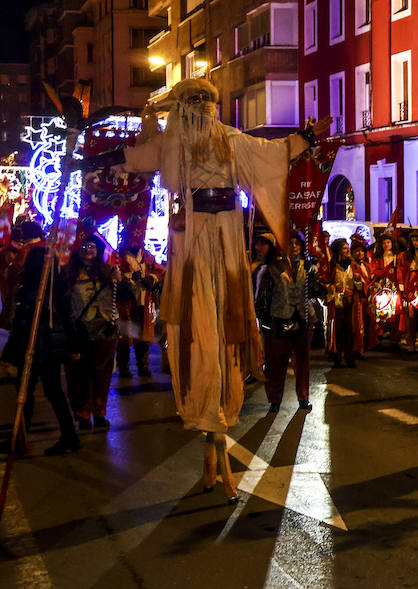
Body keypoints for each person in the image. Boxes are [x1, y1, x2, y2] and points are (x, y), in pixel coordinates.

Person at [98, 77, 327, 499]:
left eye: (208, 100)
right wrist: (97, 158)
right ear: (186, 107)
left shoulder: (231, 141)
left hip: (224, 240)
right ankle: (211, 425)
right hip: (193, 242)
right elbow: (138, 156)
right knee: (201, 325)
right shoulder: (173, 143)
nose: (203, 107)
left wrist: (303, 139)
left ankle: (216, 427)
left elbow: (271, 153)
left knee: (222, 329)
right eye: (196, 100)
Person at [1, 246, 81, 455]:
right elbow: (21, 323)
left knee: (48, 391)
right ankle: (21, 437)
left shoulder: (53, 288)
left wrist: (73, 345)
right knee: (30, 392)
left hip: (46, 349)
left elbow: (66, 317)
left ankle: (67, 436)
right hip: (34, 347)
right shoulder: (30, 288)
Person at [253, 232, 314, 413]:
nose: (294, 246)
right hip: (278, 320)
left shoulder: (308, 267)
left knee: (302, 362)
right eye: (290, 243)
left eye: (297, 243)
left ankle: (303, 398)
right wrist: (264, 323)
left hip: (302, 320)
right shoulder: (270, 268)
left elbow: (315, 291)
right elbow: (262, 299)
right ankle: (275, 399)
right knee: (275, 363)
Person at [65, 236, 119, 430]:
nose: (88, 250)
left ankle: (99, 412)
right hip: (78, 333)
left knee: (102, 375)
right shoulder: (68, 273)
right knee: (78, 375)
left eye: (92, 247)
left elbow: (120, 296)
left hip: (104, 332)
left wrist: (121, 282)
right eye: (84, 246)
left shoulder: (108, 272)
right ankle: (82, 413)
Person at [115, 244, 160, 378]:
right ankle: (123, 368)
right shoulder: (119, 255)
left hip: (143, 301)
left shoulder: (146, 255)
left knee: (144, 335)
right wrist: (126, 278)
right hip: (125, 302)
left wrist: (151, 277)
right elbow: (113, 272)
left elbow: (158, 270)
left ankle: (143, 365)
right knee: (124, 336)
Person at [326, 238, 363, 369]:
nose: (348, 251)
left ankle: (350, 357)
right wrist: (331, 288)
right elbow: (326, 282)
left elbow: (361, 285)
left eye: (348, 248)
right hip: (336, 303)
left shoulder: (354, 266)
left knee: (350, 330)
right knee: (337, 330)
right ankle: (336, 357)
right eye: (344, 248)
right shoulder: (332, 266)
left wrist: (358, 281)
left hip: (350, 303)